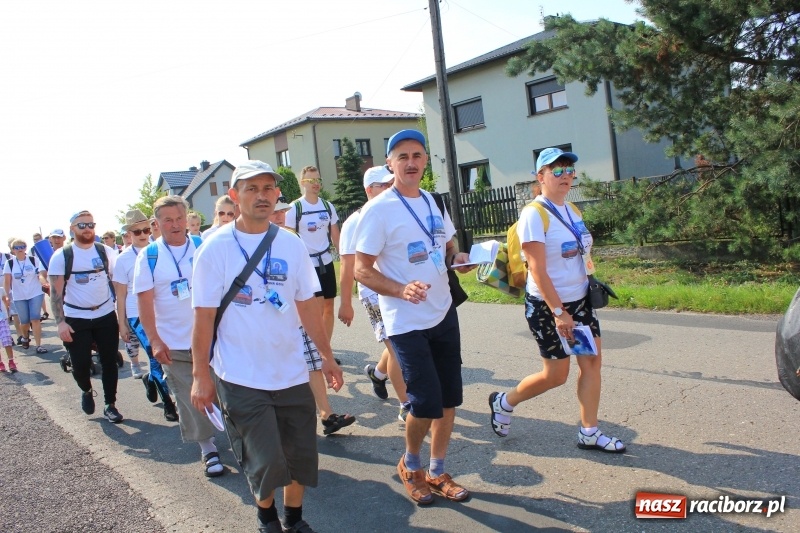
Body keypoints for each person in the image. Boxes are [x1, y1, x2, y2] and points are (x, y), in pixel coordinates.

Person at [191, 160, 343, 533]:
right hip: (240, 375)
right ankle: (267, 518)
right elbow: (203, 318)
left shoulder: (291, 244)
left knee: (300, 454)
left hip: (291, 372)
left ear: (277, 194)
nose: (262, 196)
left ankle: (294, 518)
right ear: (234, 195)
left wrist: (326, 356)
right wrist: (200, 376)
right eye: (252, 189)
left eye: (267, 188)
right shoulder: (214, 248)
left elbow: (307, 305)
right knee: (265, 459)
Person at [354, 130, 475, 505]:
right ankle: (411, 465)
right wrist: (399, 289)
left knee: (449, 399)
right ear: (390, 163)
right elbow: (361, 269)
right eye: (402, 156)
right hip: (405, 321)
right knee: (423, 403)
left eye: (417, 155)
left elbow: (448, 246)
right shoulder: (378, 210)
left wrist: (458, 259)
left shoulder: (434, 202)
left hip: (443, 312)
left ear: (425, 161)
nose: (411, 162)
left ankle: (437, 471)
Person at [488, 147, 626, 453]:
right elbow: (537, 269)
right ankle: (504, 402)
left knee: (591, 364)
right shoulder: (533, 214)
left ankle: (589, 432)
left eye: (569, 170)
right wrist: (558, 311)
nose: (565, 176)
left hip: (580, 301)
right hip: (548, 306)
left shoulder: (572, 210)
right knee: (555, 375)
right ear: (541, 177)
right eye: (557, 170)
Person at [134, 196, 224, 476]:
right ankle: (208, 448)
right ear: (157, 223)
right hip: (174, 342)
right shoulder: (149, 256)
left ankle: (241, 440)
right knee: (190, 397)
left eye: (179, 218)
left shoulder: (202, 245)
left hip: (214, 339)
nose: (175, 225)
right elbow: (144, 303)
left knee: (225, 391)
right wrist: (154, 340)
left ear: (187, 218)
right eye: (168, 220)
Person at [270, 197, 355, 436]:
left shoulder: (292, 240)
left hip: (297, 315)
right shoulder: (254, 243)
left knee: (313, 364)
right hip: (270, 323)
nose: (280, 216)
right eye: (275, 212)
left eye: (282, 212)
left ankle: (327, 415)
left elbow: (305, 284)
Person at [339, 166, 409, 420]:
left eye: (391, 183)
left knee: (400, 338)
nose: (390, 188)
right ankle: (407, 405)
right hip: (372, 292)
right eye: (384, 185)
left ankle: (378, 373)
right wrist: (345, 302)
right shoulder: (355, 222)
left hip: (397, 288)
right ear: (369, 189)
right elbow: (347, 266)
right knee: (398, 348)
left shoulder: (396, 212)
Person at [49, 210, 123, 423]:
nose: (87, 229)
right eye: (82, 225)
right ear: (72, 229)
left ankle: (110, 404)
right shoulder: (62, 256)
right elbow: (56, 293)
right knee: (80, 364)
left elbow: (118, 284)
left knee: (109, 362)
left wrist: (122, 316)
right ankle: (86, 390)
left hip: (105, 314)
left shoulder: (105, 252)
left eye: (91, 224)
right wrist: (61, 323)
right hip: (76, 318)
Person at [113, 210, 179, 423]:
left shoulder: (160, 250)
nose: (143, 234)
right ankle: (168, 403)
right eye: (137, 231)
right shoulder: (122, 260)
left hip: (163, 311)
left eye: (145, 230)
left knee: (168, 354)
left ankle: (150, 380)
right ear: (128, 234)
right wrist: (122, 323)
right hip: (137, 314)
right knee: (154, 355)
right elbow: (120, 295)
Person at [286, 166, 340, 342]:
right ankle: (314, 348)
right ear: (303, 183)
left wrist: (345, 262)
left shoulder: (327, 206)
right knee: (316, 308)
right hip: (307, 265)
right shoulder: (295, 208)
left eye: (318, 180)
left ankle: (326, 348)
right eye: (311, 180)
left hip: (326, 261)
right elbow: (288, 238)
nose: (316, 184)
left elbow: (336, 236)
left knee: (329, 306)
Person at [4, 238, 48, 353]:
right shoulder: (10, 263)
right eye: (17, 247)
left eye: (22, 246)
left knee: (35, 318)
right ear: (13, 250)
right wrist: (6, 296)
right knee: (24, 322)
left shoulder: (33, 260)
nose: (20, 249)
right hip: (19, 296)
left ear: (25, 248)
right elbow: (7, 282)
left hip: (35, 293)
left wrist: (44, 283)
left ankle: (39, 345)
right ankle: (25, 336)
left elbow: (40, 275)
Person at [0, 287, 18, 372]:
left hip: (2, 318)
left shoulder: (1, 289)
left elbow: (5, 299)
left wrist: (7, 303)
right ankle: (0, 363)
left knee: (7, 339)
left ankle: (11, 361)